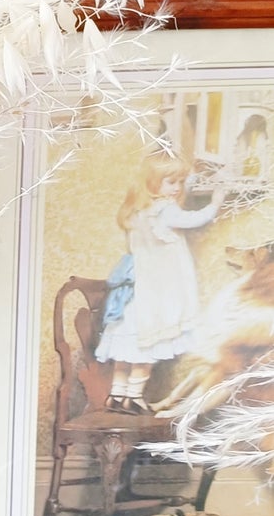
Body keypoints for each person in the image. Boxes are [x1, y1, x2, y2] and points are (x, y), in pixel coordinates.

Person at [96, 151, 227, 413]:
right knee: (147, 347)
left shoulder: (138, 211)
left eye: (180, 181)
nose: (177, 187)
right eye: (171, 182)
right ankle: (133, 397)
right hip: (159, 290)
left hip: (139, 290)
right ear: (152, 183)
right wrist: (215, 202)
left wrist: (190, 177)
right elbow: (193, 218)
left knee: (126, 348)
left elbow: (174, 193)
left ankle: (115, 395)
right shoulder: (165, 211)